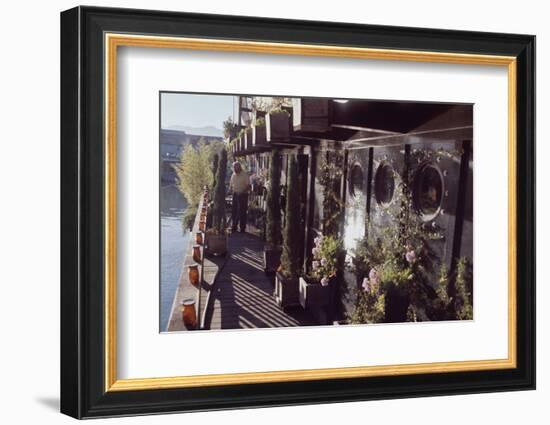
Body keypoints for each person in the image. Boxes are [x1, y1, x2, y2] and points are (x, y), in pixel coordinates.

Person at [229, 161, 251, 233]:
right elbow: (231, 184)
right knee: (234, 211)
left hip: (243, 195)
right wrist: (230, 190)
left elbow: (248, 186)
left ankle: (242, 228)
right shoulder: (233, 175)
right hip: (235, 194)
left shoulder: (244, 175)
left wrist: (242, 192)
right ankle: (234, 227)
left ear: (239, 167)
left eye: (236, 167)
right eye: (234, 167)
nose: (235, 169)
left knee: (242, 212)